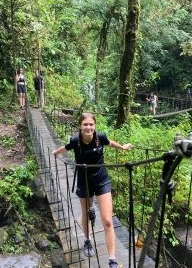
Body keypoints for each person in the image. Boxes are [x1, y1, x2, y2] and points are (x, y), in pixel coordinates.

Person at [52, 112, 133, 268]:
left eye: (91, 124)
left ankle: (112, 259)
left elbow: (110, 143)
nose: (88, 127)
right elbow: (65, 148)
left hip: (101, 181)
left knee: (108, 220)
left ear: (94, 126)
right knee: (86, 213)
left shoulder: (100, 137)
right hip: (84, 182)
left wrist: (122, 147)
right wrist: (56, 152)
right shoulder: (75, 141)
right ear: (80, 126)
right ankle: (87, 240)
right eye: (85, 124)